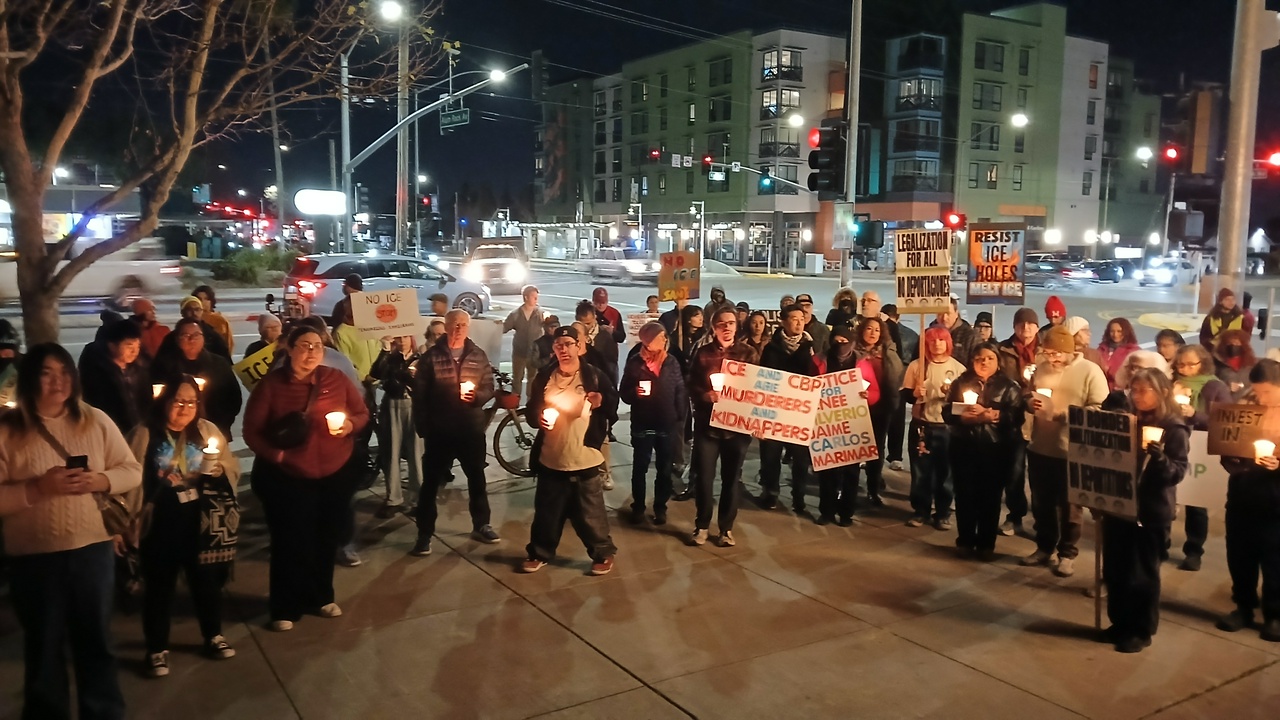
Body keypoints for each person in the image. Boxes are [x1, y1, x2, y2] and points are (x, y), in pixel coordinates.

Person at [0, 343, 142, 719]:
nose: (57, 381)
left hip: (92, 551)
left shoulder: (94, 420)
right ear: (30, 378)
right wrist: (36, 490)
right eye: (47, 372)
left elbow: (131, 469)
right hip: (34, 558)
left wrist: (101, 479)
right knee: (44, 648)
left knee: (96, 642)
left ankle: (104, 711)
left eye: (64, 372)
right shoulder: (7, 431)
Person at [243, 325, 369, 632]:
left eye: (317, 346)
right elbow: (251, 431)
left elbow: (362, 413)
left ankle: (321, 596)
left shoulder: (335, 379)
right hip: (289, 477)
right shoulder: (272, 385)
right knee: (289, 542)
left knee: (325, 539)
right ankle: (285, 606)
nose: (311, 352)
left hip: (333, 473)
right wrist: (279, 457)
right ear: (290, 349)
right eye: (304, 345)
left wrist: (349, 426)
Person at [137, 376, 242, 676]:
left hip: (201, 521)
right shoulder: (146, 434)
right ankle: (156, 648)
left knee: (206, 583)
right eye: (178, 402)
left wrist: (220, 469)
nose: (185, 409)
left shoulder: (206, 430)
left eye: (191, 402)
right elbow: (131, 476)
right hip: (160, 524)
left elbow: (230, 466)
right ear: (164, 402)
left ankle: (213, 635)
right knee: (159, 587)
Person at [1099, 368, 1190, 653]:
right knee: (1115, 569)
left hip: (1149, 512)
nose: (1136, 396)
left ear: (1162, 392)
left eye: (1143, 390)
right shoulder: (1128, 420)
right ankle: (1120, 622)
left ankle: (1141, 629)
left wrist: (1161, 460)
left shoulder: (1174, 427)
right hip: (1120, 506)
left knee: (1142, 573)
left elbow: (1177, 472)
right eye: (1133, 390)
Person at [522, 326, 619, 574]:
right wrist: (538, 418)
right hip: (552, 456)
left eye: (568, 344)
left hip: (584, 457)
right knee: (547, 512)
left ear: (579, 346)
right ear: (554, 349)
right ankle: (540, 552)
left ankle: (602, 553)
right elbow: (532, 411)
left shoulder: (594, 376)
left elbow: (612, 406)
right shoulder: (545, 377)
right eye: (558, 345)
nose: (563, 349)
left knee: (590, 513)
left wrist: (601, 402)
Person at [1022, 325, 1109, 577]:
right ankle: (1044, 546)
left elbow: (1100, 409)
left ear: (1070, 351)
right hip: (1041, 445)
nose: (1053, 358)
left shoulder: (1090, 371)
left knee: (1070, 505)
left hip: (1072, 449)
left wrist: (1064, 415)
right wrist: (1030, 403)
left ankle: (1067, 553)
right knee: (1041, 502)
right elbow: (1029, 395)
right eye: (1048, 353)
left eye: (1057, 353)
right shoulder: (1041, 367)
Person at [409, 310, 498, 555]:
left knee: (476, 477)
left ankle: (482, 523)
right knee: (430, 484)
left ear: (468, 327)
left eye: (462, 324)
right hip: (440, 430)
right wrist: (423, 426)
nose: (458, 328)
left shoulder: (477, 355)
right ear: (446, 327)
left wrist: (477, 397)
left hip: (470, 429)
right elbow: (420, 396)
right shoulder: (431, 357)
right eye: (454, 324)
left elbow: (489, 386)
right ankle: (424, 534)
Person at [1216, 359, 1280, 642]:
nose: (1261, 397)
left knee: (1275, 558)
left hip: (1275, 498)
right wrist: (1231, 457)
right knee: (1240, 553)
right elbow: (1226, 444)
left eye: (1267, 392)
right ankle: (1243, 606)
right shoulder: (1244, 407)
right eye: (1257, 391)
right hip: (1243, 492)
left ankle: (1275, 614)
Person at [943, 342, 1026, 560]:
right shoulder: (961, 382)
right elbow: (947, 411)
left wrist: (992, 415)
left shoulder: (1009, 386)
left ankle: (986, 544)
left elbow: (1017, 416)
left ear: (998, 362)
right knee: (965, 496)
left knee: (990, 498)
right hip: (964, 446)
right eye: (980, 358)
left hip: (995, 448)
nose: (984, 362)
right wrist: (962, 417)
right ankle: (965, 540)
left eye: (990, 358)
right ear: (972, 360)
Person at [686, 308, 759, 546]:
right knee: (705, 478)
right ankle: (702, 525)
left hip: (737, 428)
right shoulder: (703, 354)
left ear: (737, 326)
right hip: (708, 427)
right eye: (721, 323)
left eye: (730, 323)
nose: (726, 327)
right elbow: (691, 384)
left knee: (731, 479)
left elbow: (759, 388)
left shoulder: (748, 353)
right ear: (713, 327)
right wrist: (705, 396)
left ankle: (726, 529)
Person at [1171, 344, 1233, 571]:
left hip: (1199, 447)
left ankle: (1194, 550)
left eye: (1190, 364)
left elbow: (1225, 419)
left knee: (1196, 502)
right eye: (1181, 364)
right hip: (1173, 443)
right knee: (1167, 495)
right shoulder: (1171, 383)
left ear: (1203, 363)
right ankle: (1161, 541)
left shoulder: (1215, 387)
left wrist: (1195, 415)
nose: (1185, 368)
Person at [618, 322, 686, 525]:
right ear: (648, 340)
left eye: (665, 337)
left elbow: (680, 388)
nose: (665, 340)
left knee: (665, 468)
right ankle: (638, 506)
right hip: (643, 423)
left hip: (666, 423)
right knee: (640, 466)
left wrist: (680, 415)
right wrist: (635, 393)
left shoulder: (671, 362)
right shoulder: (635, 362)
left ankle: (660, 506)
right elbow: (624, 393)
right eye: (660, 337)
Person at [901, 326, 966, 529]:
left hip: (947, 427)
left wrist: (952, 395)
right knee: (921, 471)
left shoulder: (958, 369)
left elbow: (966, 400)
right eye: (932, 340)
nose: (937, 344)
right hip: (923, 425)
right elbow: (905, 394)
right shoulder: (917, 366)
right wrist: (915, 393)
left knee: (945, 472)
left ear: (948, 343)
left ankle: (943, 512)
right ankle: (921, 510)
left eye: (941, 340)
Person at [817, 325, 881, 526]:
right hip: (827, 423)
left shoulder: (862, 363)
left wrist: (866, 396)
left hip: (853, 422)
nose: (840, 345)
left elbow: (875, 392)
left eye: (844, 342)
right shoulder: (819, 360)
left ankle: (846, 512)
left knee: (851, 471)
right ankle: (826, 511)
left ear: (852, 343)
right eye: (837, 341)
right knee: (827, 471)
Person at [758, 304, 819, 514]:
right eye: (794, 318)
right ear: (783, 321)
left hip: (799, 412)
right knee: (771, 456)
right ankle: (771, 493)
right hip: (775, 411)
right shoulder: (771, 348)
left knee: (801, 458)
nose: (799, 322)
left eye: (802, 318)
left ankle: (799, 497)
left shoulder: (811, 346)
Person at [151, 318, 242, 440]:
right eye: (186, 335)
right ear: (177, 340)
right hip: (173, 433)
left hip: (214, 431)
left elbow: (234, 398)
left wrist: (221, 424)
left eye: (196, 335)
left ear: (204, 339)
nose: (192, 339)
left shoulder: (218, 364)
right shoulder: (164, 366)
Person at [996, 307, 1040, 536]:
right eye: (1021, 324)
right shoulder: (1003, 350)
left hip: (1042, 420)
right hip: (1015, 419)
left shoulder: (1045, 350)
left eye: (1030, 324)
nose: (1026, 329)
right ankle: (1015, 515)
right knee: (1014, 471)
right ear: (1014, 326)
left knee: (1040, 474)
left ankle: (1043, 519)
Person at [849, 316, 902, 509]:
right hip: (855, 409)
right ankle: (850, 489)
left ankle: (872, 489)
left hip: (881, 409)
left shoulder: (888, 352)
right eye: (869, 329)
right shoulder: (851, 351)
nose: (873, 333)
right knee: (853, 451)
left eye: (877, 330)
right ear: (862, 330)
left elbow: (897, 377)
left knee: (876, 452)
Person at [370, 333, 423, 518]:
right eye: (398, 338)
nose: (402, 341)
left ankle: (417, 499)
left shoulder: (420, 359)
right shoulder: (390, 358)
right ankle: (393, 498)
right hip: (392, 403)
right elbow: (375, 373)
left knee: (416, 453)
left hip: (414, 405)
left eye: (405, 337)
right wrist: (384, 351)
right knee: (390, 452)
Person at [79, 318, 151, 435]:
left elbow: (147, 401)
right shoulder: (97, 370)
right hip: (110, 432)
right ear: (112, 346)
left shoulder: (140, 368)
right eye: (129, 346)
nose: (134, 352)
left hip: (141, 431)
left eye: (138, 346)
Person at [883, 303, 917, 472]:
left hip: (889, 381)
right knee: (897, 420)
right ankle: (895, 456)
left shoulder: (882, 331)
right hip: (900, 381)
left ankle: (883, 454)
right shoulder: (912, 334)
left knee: (885, 421)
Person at [158, 295, 231, 362]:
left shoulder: (213, 336)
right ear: (182, 312)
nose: (194, 313)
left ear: (202, 311)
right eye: (189, 309)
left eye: (197, 309)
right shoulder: (171, 338)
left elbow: (225, 361)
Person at [504, 285, 544, 401]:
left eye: (537, 296)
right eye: (533, 296)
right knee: (517, 378)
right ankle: (514, 403)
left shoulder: (541, 313)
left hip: (535, 353)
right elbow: (504, 327)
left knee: (533, 378)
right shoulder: (515, 314)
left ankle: (530, 403)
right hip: (519, 352)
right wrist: (495, 327)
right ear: (526, 297)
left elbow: (549, 329)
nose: (536, 299)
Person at [576, 299, 619, 385]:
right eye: (582, 323)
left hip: (600, 381)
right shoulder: (573, 335)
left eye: (588, 323)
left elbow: (611, 365)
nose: (585, 326)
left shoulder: (605, 337)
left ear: (595, 317)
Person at [1213, 328, 1256, 400]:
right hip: (1224, 403)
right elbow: (1211, 385)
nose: (1233, 346)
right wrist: (1227, 387)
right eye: (1229, 344)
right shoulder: (1217, 363)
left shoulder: (1251, 364)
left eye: (1237, 344)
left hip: (1245, 403)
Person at [1098, 318, 1141, 389]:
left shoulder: (1134, 351)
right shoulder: (1102, 348)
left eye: (1119, 331)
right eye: (1112, 331)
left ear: (1126, 332)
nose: (1115, 334)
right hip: (1100, 388)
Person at [193, 285, 233, 356]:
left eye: (206, 299)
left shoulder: (220, 320)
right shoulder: (192, 318)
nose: (203, 302)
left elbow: (228, 343)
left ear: (211, 301)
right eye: (199, 299)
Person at [934, 297, 973, 366]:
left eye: (948, 314)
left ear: (956, 314)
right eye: (940, 314)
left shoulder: (970, 336)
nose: (944, 318)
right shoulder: (928, 334)